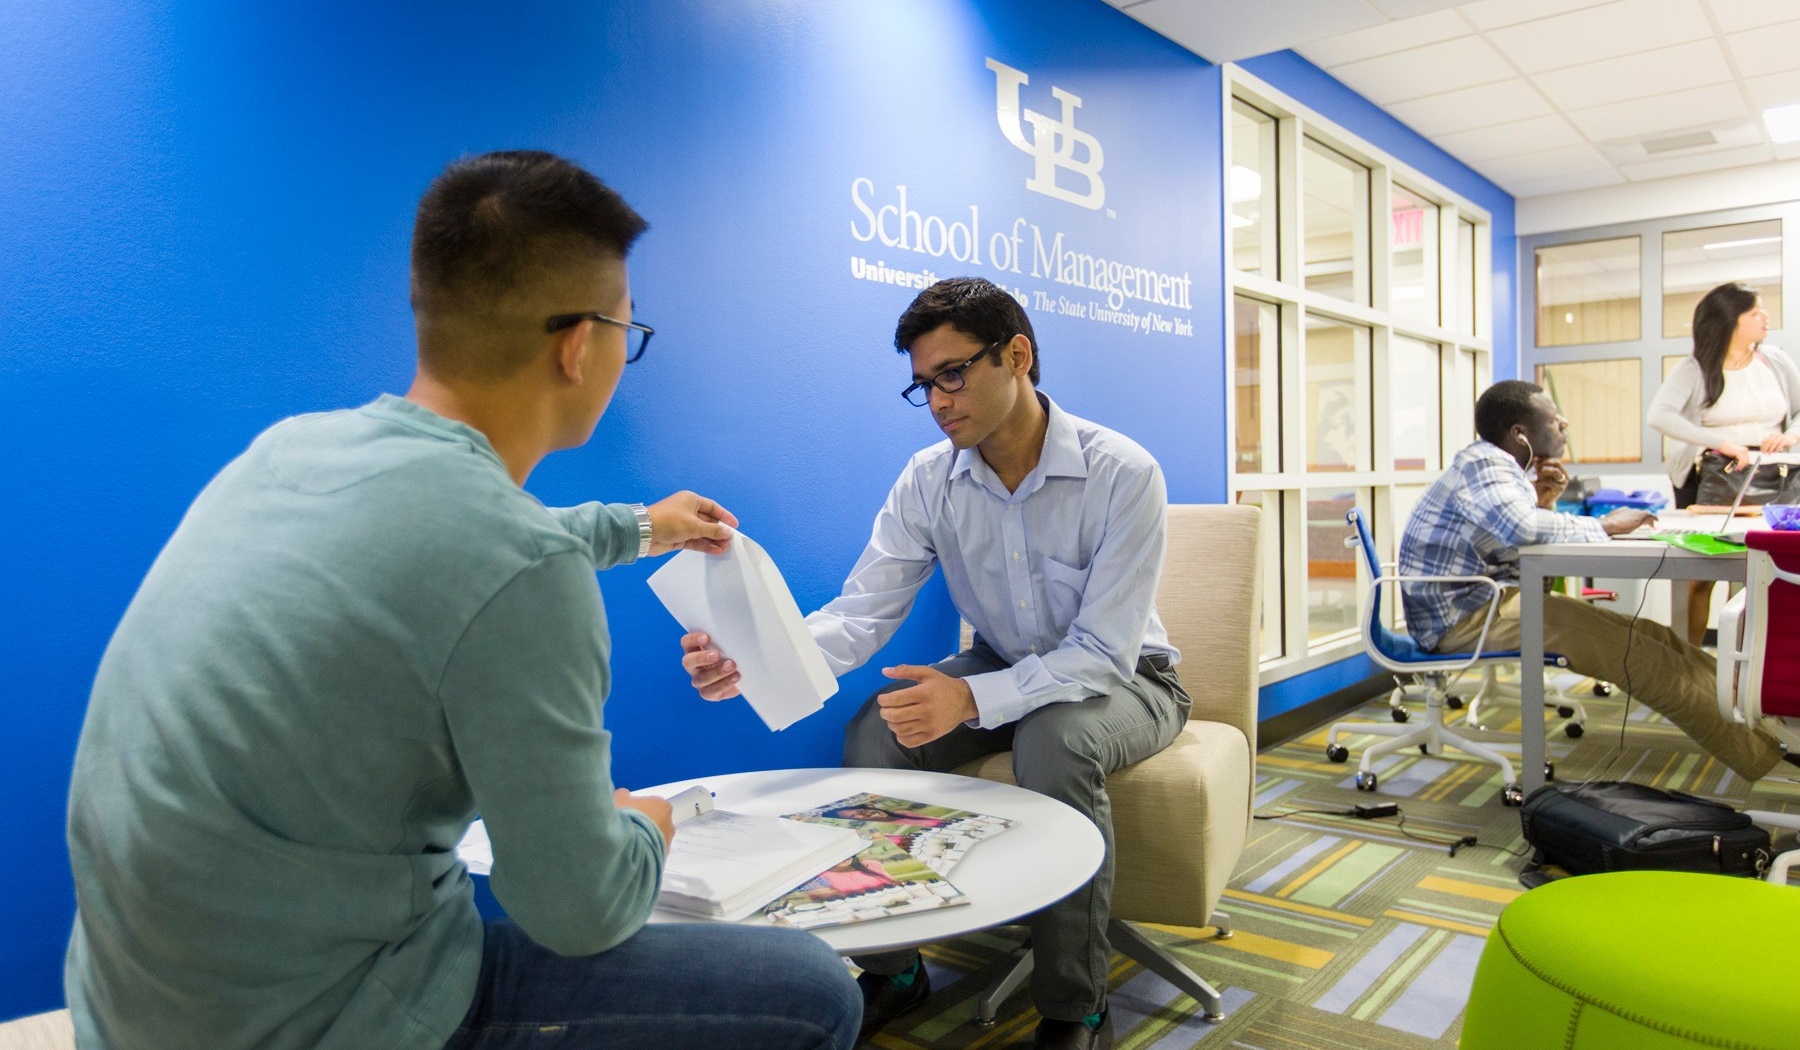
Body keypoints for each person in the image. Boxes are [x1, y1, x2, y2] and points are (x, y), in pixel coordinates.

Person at [64, 151, 860, 1050]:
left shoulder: (291, 453)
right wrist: (643, 829)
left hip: (132, 1006)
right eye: (628, 334)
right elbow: (582, 912)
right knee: (814, 991)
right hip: (323, 1019)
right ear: (577, 345)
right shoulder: (520, 569)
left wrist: (644, 527)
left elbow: (457, 545)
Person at [683, 276, 1188, 1050]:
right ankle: (894, 970)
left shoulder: (1122, 471)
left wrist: (971, 700)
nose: (940, 399)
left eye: (953, 374)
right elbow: (863, 612)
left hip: (1129, 675)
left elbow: (1100, 653)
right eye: (924, 385)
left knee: (1053, 740)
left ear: (1017, 356)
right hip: (1006, 658)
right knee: (876, 732)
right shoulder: (929, 479)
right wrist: (755, 660)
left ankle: (1075, 1004)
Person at [1401, 379, 1790, 781]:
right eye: (1554, 420)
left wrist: (1544, 502)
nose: (1564, 424)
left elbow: (1526, 564)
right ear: (1520, 434)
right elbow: (1521, 530)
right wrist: (1604, 526)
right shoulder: (1487, 464)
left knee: (1652, 637)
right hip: (1463, 621)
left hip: (1487, 604)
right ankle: (1771, 760)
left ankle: (1765, 724)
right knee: (1634, 654)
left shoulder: (1501, 471)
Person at [1648, 281, 1800, 643]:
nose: (1765, 317)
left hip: (1771, 479)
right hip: (1709, 479)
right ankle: (1687, 666)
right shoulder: (1694, 368)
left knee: (1754, 574)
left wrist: (1791, 436)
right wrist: (1721, 443)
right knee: (1699, 577)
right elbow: (1660, 416)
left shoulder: (1775, 360)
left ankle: (1743, 672)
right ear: (1730, 320)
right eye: (1755, 312)